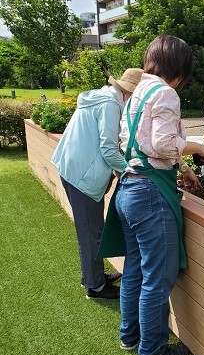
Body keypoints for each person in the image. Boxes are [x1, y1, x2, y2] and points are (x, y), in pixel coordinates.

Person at [114, 35, 204, 355]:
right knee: (158, 278)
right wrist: (199, 148)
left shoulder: (139, 90)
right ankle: (153, 353)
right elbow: (164, 144)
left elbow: (142, 143)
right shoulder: (166, 93)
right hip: (150, 196)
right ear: (179, 70)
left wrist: (184, 167)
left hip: (128, 187)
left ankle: (130, 336)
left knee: (135, 270)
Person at [51, 67, 144, 299]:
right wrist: (133, 170)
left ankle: (94, 276)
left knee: (91, 229)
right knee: (90, 232)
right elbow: (108, 149)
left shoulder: (102, 97)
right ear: (128, 92)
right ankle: (96, 287)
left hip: (73, 167)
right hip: (82, 175)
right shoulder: (111, 106)